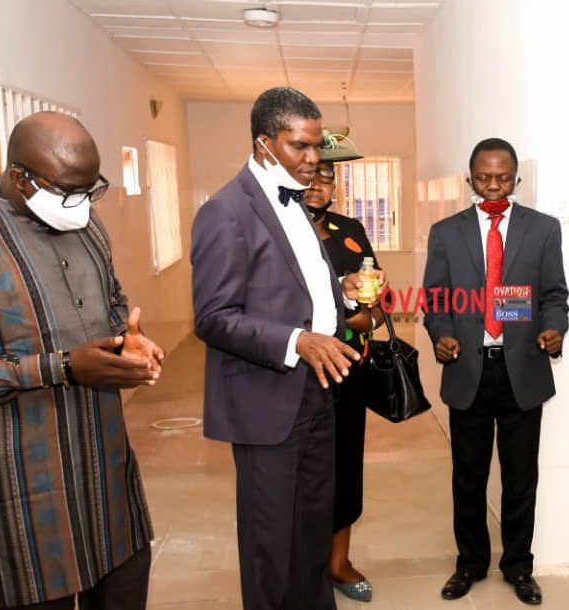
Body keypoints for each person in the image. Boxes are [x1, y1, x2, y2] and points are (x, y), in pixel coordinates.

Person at [0, 112, 164, 610]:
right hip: (22, 484)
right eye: (67, 191)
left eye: (90, 190)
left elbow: (113, 302)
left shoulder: (86, 223)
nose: (81, 204)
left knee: (124, 585)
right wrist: (60, 368)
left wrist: (126, 340)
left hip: (103, 467)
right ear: (19, 177)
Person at [190, 87, 382, 610]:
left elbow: (296, 290)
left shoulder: (295, 202)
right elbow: (213, 317)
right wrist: (298, 340)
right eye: (300, 145)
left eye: (317, 145)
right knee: (271, 545)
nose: (313, 158)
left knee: (311, 529)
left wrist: (341, 296)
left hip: (318, 393)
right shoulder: (226, 212)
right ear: (264, 144)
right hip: (266, 400)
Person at [423, 138, 569, 606]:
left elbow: (554, 295)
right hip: (468, 369)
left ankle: (519, 567)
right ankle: (469, 564)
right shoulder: (446, 233)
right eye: (484, 177)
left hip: (521, 370)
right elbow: (436, 300)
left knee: (520, 477)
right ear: (470, 178)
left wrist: (553, 328)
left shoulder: (542, 229)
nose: (493, 185)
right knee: (468, 477)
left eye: (503, 178)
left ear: (516, 179)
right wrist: (441, 334)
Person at [302, 131, 384, 603]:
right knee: (305, 470)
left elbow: (375, 300)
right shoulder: (280, 228)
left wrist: (371, 313)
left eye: (327, 177)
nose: (318, 183)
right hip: (301, 370)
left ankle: (338, 561)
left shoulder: (349, 229)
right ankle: (305, 564)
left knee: (346, 463)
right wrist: (343, 308)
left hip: (351, 368)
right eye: (312, 174)